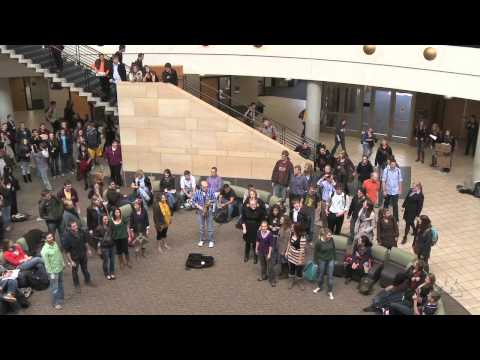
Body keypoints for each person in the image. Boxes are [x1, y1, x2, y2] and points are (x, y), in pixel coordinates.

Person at [62, 221, 93, 291]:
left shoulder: (81, 231)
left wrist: (88, 250)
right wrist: (70, 261)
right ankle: (77, 285)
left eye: (76, 225)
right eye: (73, 226)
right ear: (70, 228)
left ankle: (88, 280)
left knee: (85, 268)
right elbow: (66, 251)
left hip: (83, 254)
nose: (76, 227)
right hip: (74, 257)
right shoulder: (67, 236)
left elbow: (85, 242)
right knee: (75, 271)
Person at [40, 232, 65, 309]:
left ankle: (61, 298)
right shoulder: (44, 250)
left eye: (51, 237)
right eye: (49, 238)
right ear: (45, 240)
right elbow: (46, 263)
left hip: (59, 268)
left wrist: (62, 263)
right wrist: (51, 273)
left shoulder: (55, 243)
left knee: (60, 283)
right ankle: (55, 303)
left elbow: (59, 254)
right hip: (53, 271)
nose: (51, 238)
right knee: (55, 288)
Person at [192, 180, 217, 248]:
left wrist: (210, 202)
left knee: (210, 227)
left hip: (209, 211)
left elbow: (215, 199)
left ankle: (211, 240)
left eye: (206, 187)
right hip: (200, 211)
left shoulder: (211, 191)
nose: (206, 188)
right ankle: (202, 239)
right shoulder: (197, 192)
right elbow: (193, 201)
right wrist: (199, 206)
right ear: (201, 186)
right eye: (204, 187)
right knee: (201, 227)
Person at [313, 229, 336, 300]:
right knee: (321, 274)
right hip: (322, 259)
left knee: (330, 276)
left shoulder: (331, 239)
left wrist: (334, 259)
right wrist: (315, 262)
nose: (330, 236)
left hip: (330, 259)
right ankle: (319, 287)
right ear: (324, 235)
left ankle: (330, 291)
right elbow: (315, 253)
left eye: (330, 234)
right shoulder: (318, 242)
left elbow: (333, 249)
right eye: (329, 235)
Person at [242, 198, 266, 263]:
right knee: (247, 243)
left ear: (256, 204)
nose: (253, 205)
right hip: (247, 229)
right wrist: (244, 228)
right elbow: (243, 220)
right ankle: (246, 256)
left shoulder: (260, 211)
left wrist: (260, 228)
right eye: (252, 204)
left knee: (255, 244)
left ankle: (255, 257)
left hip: (256, 229)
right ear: (249, 204)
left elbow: (263, 220)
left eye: (254, 204)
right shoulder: (245, 210)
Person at [285, 223, 307, 290]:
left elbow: (302, 250)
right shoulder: (291, 234)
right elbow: (289, 243)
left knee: (299, 271)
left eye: (292, 227)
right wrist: (287, 251)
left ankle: (299, 282)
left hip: (298, 257)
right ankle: (291, 281)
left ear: (296, 229)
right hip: (291, 255)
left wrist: (300, 260)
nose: (291, 228)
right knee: (291, 269)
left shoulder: (302, 238)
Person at [93, 215, 115, 280]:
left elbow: (113, 233)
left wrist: (112, 238)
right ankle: (106, 273)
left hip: (111, 245)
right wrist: (102, 239)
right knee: (106, 260)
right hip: (104, 247)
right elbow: (95, 237)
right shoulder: (98, 228)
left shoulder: (110, 226)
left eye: (107, 219)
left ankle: (112, 272)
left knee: (112, 260)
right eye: (105, 219)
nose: (106, 220)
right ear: (102, 220)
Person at [256, 220, 275, 286]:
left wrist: (269, 254)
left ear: (267, 227)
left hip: (267, 252)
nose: (264, 228)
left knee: (270, 267)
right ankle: (263, 276)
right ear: (260, 227)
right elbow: (257, 241)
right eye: (262, 226)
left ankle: (272, 280)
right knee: (263, 265)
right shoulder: (258, 232)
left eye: (265, 226)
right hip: (261, 251)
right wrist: (256, 249)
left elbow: (271, 245)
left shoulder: (270, 234)